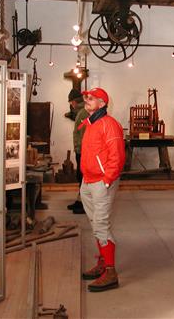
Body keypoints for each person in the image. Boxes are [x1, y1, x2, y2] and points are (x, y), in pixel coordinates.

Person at [79, 87, 125, 292]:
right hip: (88, 181)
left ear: (102, 104)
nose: (87, 101)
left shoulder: (110, 124)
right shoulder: (91, 123)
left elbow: (117, 157)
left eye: (92, 98)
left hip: (101, 183)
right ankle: (102, 262)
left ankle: (110, 271)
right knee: (95, 223)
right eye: (86, 98)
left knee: (101, 224)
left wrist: (106, 180)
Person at [66, 89, 89, 214]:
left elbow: (85, 133)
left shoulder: (83, 112)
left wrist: (81, 149)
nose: (71, 105)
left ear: (74, 102)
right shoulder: (82, 112)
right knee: (81, 177)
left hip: (83, 150)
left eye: (70, 102)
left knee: (83, 177)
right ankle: (80, 201)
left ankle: (84, 204)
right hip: (81, 149)